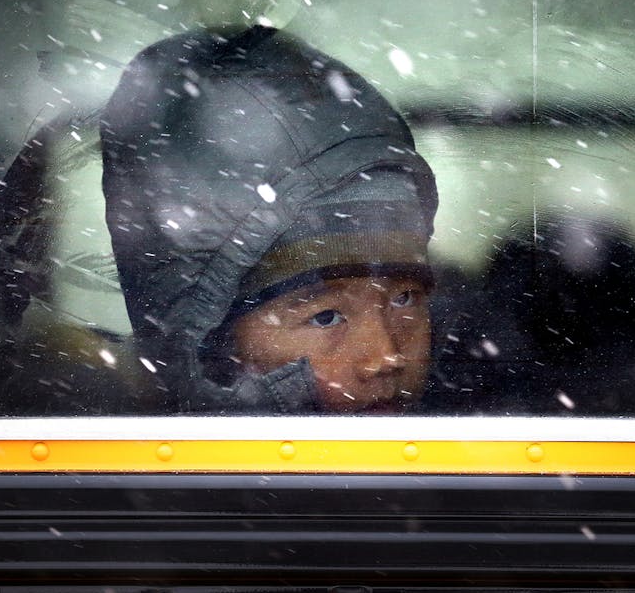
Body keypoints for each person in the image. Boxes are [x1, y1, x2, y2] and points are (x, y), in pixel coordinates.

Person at [100, 25, 438, 413]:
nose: (385, 358)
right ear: (212, 348)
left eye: (404, 298)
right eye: (326, 317)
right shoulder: (91, 449)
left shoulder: (488, 427)